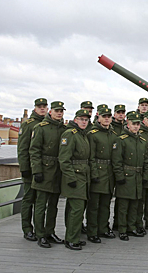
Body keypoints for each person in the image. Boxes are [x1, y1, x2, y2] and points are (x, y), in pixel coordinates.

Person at [30, 101, 67, 248]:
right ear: (50, 111)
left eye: (61, 111)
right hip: (44, 170)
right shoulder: (40, 128)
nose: (59, 113)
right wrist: (37, 170)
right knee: (40, 205)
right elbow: (34, 151)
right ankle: (40, 234)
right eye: (57, 111)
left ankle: (50, 232)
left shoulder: (64, 129)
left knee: (53, 205)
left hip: (57, 171)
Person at [59, 109, 93, 250]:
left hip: (83, 175)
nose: (84, 122)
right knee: (77, 209)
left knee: (74, 208)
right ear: (76, 119)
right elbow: (64, 159)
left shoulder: (82, 135)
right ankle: (72, 239)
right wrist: (70, 177)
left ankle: (72, 236)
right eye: (81, 119)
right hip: (75, 176)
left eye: (86, 120)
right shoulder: (70, 134)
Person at [112, 111, 148, 241]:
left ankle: (131, 227)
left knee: (135, 204)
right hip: (126, 176)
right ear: (128, 123)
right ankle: (122, 229)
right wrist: (120, 176)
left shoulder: (142, 141)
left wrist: (145, 175)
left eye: (138, 124)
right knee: (123, 205)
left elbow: (146, 161)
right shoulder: (121, 140)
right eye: (134, 124)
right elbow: (116, 161)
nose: (136, 126)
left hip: (138, 176)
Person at [17, 98, 48, 241]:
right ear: (35, 108)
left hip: (44, 169)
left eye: (44, 107)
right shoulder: (28, 125)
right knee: (29, 198)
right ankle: (27, 228)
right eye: (39, 107)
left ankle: (40, 229)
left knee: (41, 201)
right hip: (30, 169)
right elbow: (23, 148)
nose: (42, 109)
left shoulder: (48, 124)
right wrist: (24, 168)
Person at [86, 107, 117, 244]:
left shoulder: (113, 134)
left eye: (109, 116)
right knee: (94, 205)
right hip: (98, 171)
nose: (106, 119)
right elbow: (90, 157)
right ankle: (92, 231)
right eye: (104, 116)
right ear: (98, 118)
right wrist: (94, 173)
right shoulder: (92, 134)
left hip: (109, 173)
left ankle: (103, 228)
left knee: (105, 204)